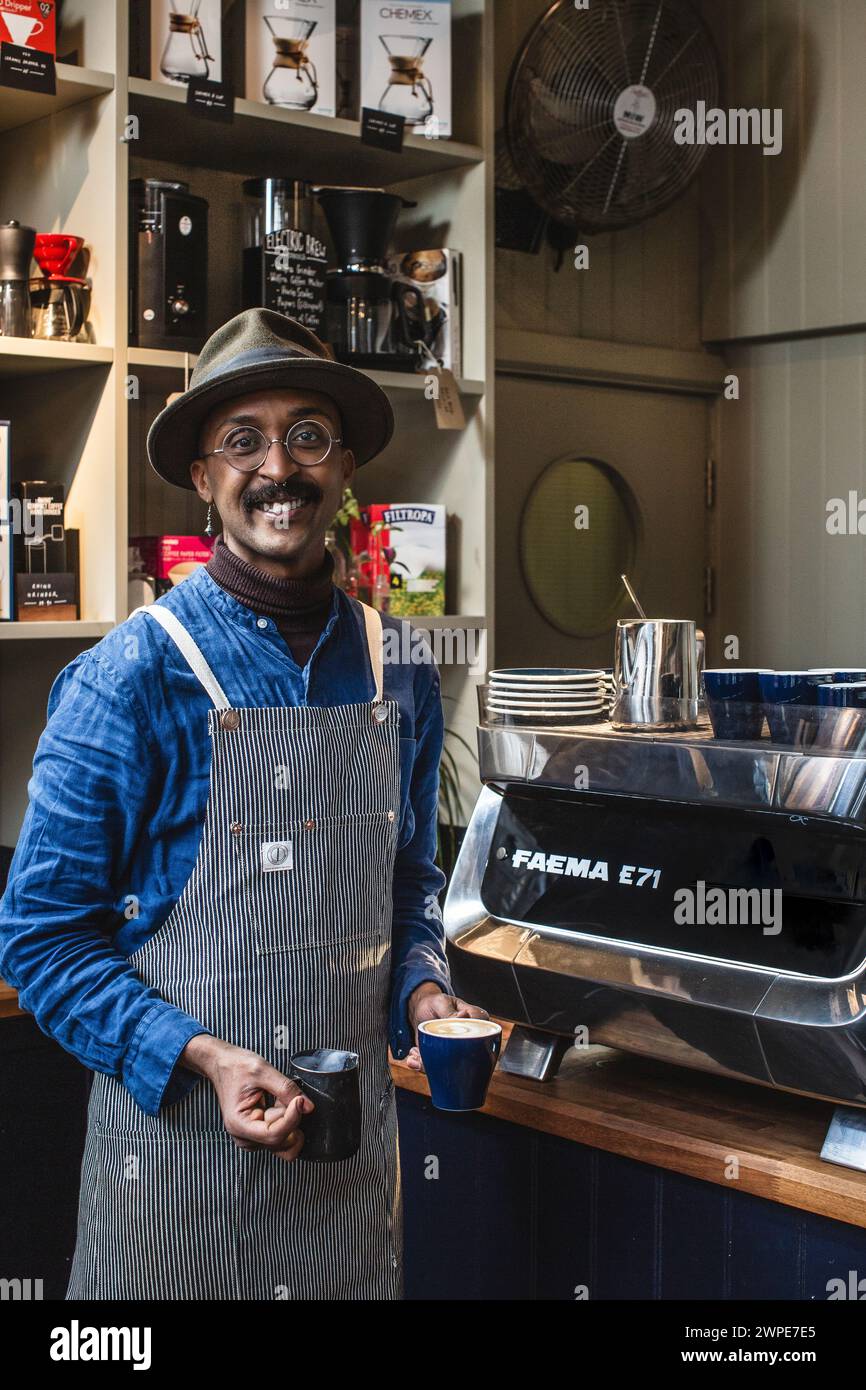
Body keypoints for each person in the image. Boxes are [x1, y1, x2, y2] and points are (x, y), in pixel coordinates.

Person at [0, 308, 489, 1300]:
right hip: (174, 1174)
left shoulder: (400, 670)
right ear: (201, 474)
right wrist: (203, 1056)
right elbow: (40, 940)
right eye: (243, 441)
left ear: (344, 463)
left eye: (307, 434)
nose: (279, 467)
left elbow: (406, 882)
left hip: (344, 1190)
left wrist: (421, 985)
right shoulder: (127, 680)